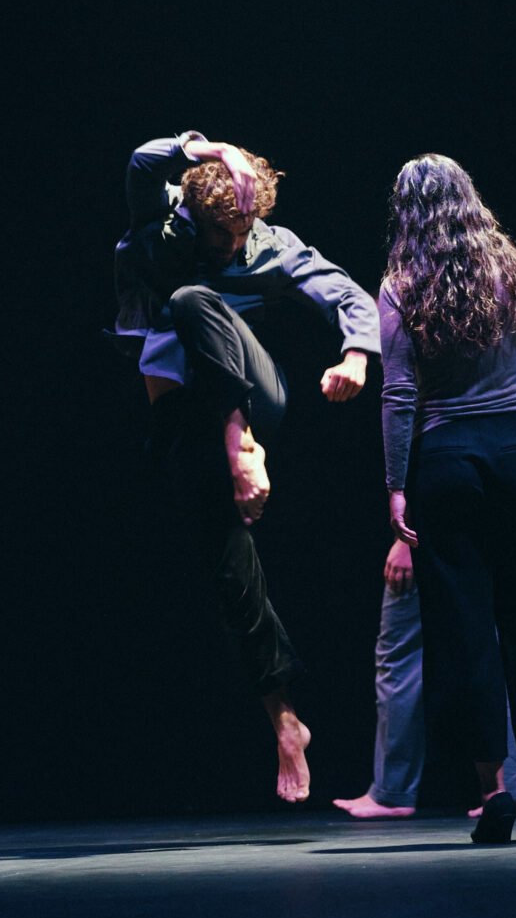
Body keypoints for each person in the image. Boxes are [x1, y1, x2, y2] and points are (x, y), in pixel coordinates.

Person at [111, 131, 381, 803]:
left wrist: (355, 356)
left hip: (257, 402)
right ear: (193, 214)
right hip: (186, 419)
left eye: (243, 231)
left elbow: (351, 298)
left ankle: (242, 448)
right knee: (232, 573)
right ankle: (285, 721)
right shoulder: (163, 226)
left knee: (189, 302)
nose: (233, 245)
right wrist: (212, 150)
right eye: (221, 233)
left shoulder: (274, 246)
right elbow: (142, 161)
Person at [381, 154, 516, 843]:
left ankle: (493, 788)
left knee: (463, 629)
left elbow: (400, 394)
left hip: (446, 462)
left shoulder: (403, 284)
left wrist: (396, 486)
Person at [331, 539, 516, 820]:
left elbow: (419, 493)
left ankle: (393, 792)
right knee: (499, 657)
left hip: (435, 536)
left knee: (400, 660)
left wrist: (404, 541)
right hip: (502, 538)